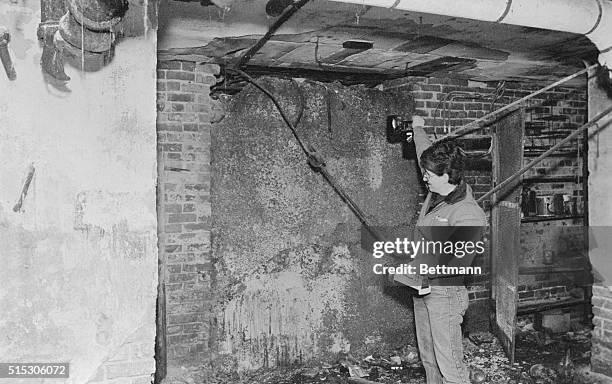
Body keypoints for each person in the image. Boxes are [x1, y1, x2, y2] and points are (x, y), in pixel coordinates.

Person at [409, 125, 487, 384]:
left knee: (450, 365)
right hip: (422, 288)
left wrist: (416, 266)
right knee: (429, 359)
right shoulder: (438, 190)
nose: (424, 177)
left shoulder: (467, 214)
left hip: (445, 294)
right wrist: (417, 127)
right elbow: (424, 149)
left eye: (429, 173)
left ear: (446, 175)